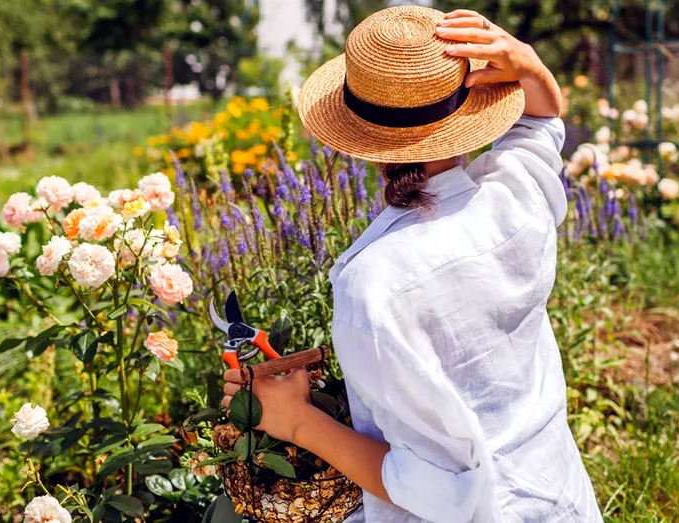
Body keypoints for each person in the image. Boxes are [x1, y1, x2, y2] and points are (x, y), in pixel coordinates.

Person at [222, 6, 602, 522]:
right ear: (467, 114)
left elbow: (441, 490)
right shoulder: (516, 203)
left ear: (362, 144)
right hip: (560, 500)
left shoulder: (371, 286)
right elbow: (541, 123)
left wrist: (296, 421)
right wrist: (529, 65)